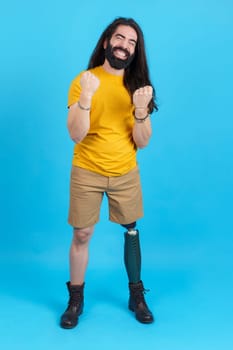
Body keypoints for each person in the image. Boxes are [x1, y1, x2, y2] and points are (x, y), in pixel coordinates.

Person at [60, 17, 158, 329]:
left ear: (135, 51)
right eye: (120, 38)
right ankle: (76, 298)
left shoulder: (137, 87)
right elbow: (76, 134)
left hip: (124, 171)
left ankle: (136, 294)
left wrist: (141, 111)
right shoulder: (83, 80)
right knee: (82, 233)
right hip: (87, 168)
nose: (124, 45)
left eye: (132, 42)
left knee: (131, 229)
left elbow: (142, 142)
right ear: (106, 42)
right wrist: (86, 97)